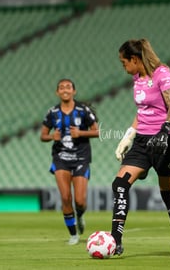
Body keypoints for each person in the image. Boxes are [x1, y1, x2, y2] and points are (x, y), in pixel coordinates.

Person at [112, 39, 170, 259]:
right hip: (142, 141)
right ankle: (115, 242)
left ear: (135, 60)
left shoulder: (162, 74)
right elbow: (143, 111)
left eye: (124, 62)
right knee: (119, 184)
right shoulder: (137, 79)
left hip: (167, 141)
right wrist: (129, 134)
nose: (123, 66)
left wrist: (164, 130)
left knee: (168, 195)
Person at [40, 78, 99, 245]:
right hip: (61, 159)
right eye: (61, 87)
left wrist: (80, 133)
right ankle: (73, 234)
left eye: (68, 87)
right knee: (66, 197)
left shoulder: (83, 110)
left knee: (79, 201)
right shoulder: (52, 113)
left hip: (81, 158)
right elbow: (43, 135)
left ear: (74, 91)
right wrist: (52, 136)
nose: (65, 89)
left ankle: (79, 215)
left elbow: (97, 132)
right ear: (57, 92)